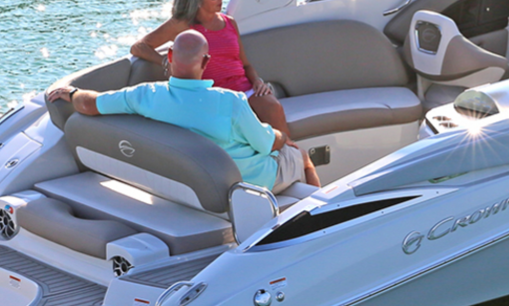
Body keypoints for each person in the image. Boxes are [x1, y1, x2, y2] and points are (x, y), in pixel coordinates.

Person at [50, 31, 319, 191]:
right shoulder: (231, 102)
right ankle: (321, 222)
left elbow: (90, 104)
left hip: (182, 182)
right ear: (206, 61)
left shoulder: (144, 95)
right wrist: (282, 138)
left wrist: (70, 92)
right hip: (243, 182)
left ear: (169, 57)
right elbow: (265, 145)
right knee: (300, 155)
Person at [130, 0, 292, 138]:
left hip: (245, 91)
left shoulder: (229, 22)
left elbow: (244, 64)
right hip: (212, 96)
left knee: (273, 108)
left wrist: (258, 81)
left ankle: (291, 154)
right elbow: (139, 47)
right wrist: (165, 62)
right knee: (239, 128)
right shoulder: (181, 25)